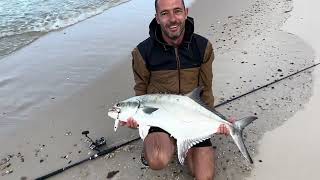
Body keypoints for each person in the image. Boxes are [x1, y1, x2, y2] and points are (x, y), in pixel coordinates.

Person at [121, 0, 230, 179]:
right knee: (157, 158)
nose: (172, 19)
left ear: (186, 13)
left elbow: (206, 91)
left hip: (192, 116)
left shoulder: (203, 47)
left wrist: (218, 121)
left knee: (203, 176)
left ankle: (183, 143)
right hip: (160, 118)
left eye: (177, 11)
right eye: (164, 13)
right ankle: (163, 142)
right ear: (157, 18)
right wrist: (137, 120)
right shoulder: (142, 52)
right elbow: (141, 95)